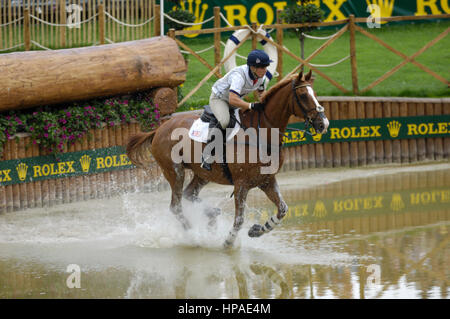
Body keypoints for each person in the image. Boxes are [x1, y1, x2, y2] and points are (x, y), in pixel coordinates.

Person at [201, 49, 273, 170]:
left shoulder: (261, 76)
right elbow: (233, 99)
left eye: (266, 66)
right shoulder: (238, 76)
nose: (265, 69)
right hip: (220, 99)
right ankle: (207, 155)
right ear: (253, 68)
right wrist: (250, 106)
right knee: (224, 121)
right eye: (262, 67)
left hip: (234, 101)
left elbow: (261, 93)